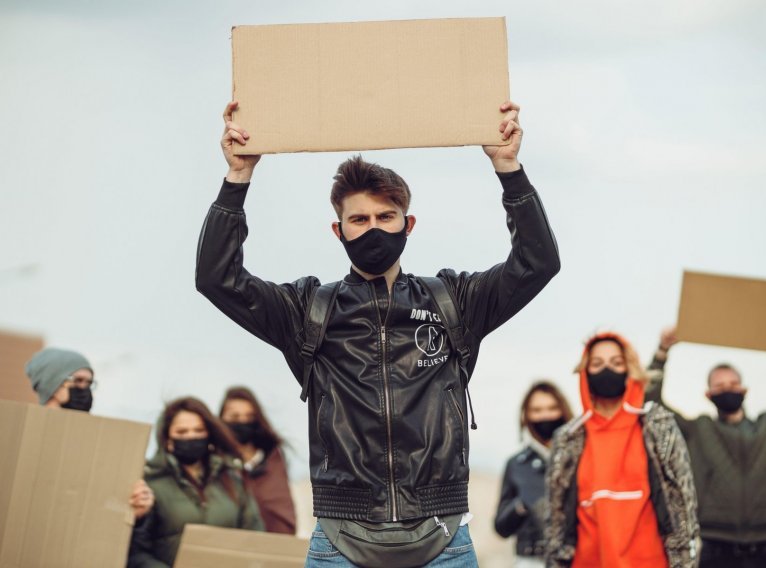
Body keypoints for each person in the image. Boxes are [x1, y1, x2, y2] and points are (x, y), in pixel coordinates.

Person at [195, 99, 560, 567]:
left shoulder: (454, 302)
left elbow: (538, 262)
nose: (373, 230)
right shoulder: (307, 310)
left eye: (386, 218)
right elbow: (216, 279)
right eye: (359, 220)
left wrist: (508, 168)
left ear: (408, 225)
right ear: (338, 230)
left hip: (443, 538)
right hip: (340, 539)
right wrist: (237, 178)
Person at [646, 326, 766, 568]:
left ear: (744, 389)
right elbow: (651, 405)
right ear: (708, 394)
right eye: (719, 385)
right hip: (717, 552)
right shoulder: (698, 430)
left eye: (732, 383)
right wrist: (662, 352)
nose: (727, 389)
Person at [545, 332, 699, 567]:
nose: (607, 369)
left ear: (630, 369)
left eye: (616, 363)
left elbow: (684, 502)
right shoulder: (568, 438)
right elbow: (556, 517)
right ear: (585, 372)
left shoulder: (657, 426)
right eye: (597, 364)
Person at [127, 397, 264, 568]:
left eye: (198, 430)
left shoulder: (233, 481)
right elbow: (135, 553)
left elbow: (256, 538)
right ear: (168, 440)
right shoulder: (149, 485)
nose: (191, 436)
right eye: (182, 432)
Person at [25, 346, 154, 521]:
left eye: (89, 383)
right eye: (77, 381)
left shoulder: (104, 445)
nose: (84, 389)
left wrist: (135, 508)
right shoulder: (26, 435)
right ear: (51, 383)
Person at [495, 380, 573, 567]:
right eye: (537, 410)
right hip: (531, 560)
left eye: (552, 408)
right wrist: (521, 505)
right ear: (526, 416)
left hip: (576, 557)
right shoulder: (517, 464)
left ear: (563, 410)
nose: (545, 415)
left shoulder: (579, 456)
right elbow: (501, 528)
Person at [219, 385, 297, 534]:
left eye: (249, 417)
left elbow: (284, 510)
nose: (242, 422)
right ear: (221, 419)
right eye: (234, 417)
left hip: (272, 546)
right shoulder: (215, 461)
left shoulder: (273, 460)